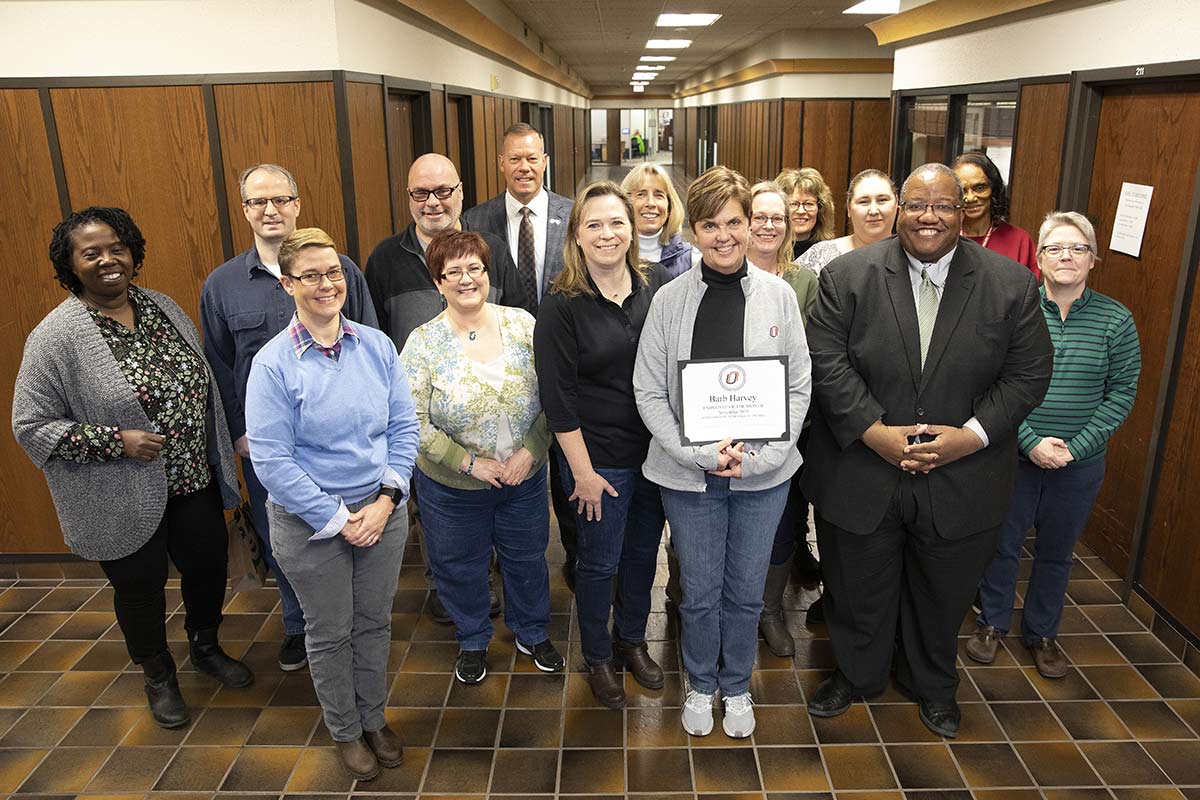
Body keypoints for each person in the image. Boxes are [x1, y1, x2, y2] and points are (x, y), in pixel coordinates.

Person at [803, 163, 1053, 739]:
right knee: (856, 586)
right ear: (899, 210)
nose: (928, 217)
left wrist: (968, 436)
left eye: (942, 206)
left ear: (963, 209)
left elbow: (1028, 374)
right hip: (862, 470)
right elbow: (826, 363)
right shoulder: (848, 276)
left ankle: (932, 682)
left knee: (942, 592)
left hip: (963, 475)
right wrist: (875, 432)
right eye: (916, 205)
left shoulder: (1010, 284)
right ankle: (856, 674)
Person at [13, 207, 251, 730]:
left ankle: (205, 648)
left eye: (116, 247)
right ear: (71, 265)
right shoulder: (56, 337)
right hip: (117, 491)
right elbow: (30, 425)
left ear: (132, 251)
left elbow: (202, 384)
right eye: (90, 253)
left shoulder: (162, 306)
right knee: (140, 586)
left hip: (193, 478)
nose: (107, 260)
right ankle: (158, 674)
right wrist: (114, 441)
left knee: (208, 569)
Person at [633, 167, 811, 739]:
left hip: (764, 476)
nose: (724, 235)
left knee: (746, 590)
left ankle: (736, 686)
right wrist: (698, 453)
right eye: (710, 225)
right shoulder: (668, 300)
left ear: (751, 225)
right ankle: (700, 682)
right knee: (701, 591)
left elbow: (799, 387)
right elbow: (648, 390)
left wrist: (760, 459)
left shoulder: (780, 295)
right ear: (695, 231)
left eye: (734, 221)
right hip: (690, 476)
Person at [245, 228, 419, 781]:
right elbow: (272, 463)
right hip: (310, 524)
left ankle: (373, 717)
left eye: (334, 273)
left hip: (382, 513)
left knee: (373, 623)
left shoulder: (377, 346)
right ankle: (345, 729)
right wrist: (341, 519)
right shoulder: (273, 365)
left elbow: (404, 428)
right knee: (330, 631)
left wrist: (388, 499)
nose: (327, 285)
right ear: (287, 283)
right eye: (312, 276)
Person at [201, 163, 378, 672]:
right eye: (258, 202)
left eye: (280, 199)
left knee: (355, 531)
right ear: (245, 211)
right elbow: (218, 364)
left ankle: (353, 625)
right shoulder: (222, 286)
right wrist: (237, 432)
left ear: (297, 204)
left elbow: (369, 344)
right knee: (285, 538)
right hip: (268, 448)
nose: (270, 210)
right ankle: (301, 627)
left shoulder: (340, 269)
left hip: (344, 441)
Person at [967, 211, 1140, 678]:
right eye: (1055, 248)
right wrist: (1029, 441)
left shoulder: (1115, 320)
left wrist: (1076, 447)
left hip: (1079, 465)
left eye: (1078, 248)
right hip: (1014, 454)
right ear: (1038, 258)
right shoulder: (1015, 312)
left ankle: (1043, 633)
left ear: (1094, 259)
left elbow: (1122, 391)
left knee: (1058, 551)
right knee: (1002, 543)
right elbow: (991, 384)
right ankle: (992, 624)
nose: (1066, 256)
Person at [366, 153, 525, 624]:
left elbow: (519, 320)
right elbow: (373, 336)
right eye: (421, 193)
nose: (433, 202)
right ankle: (449, 586)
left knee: (501, 511)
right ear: (409, 198)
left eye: (443, 191)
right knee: (437, 517)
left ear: (460, 193)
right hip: (423, 424)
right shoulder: (384, 259)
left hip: (499, 421)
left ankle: (491, 581)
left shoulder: (490, 247)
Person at [400, 230, 563, 684]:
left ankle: (531, 631)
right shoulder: (422, 343)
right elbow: (411, 421)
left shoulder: (523, 325)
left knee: (528, 558)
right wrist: (469, 463)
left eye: (475, 268)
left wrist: (532, 451)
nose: (466, 279)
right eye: (453, 272)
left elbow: (556, 394)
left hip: (523, 478)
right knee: (459, 564)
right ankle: (472, 638)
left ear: (488, 274)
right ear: (438, 283)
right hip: (452, 487)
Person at [535, 182, 670, 708]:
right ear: (577, 235)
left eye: (617, 222)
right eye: (593, 224)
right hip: (597, 461)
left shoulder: (657, 284)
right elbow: (558, 397)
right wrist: (584, 474)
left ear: (632, 229)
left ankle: (631, 642)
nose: (607, 233)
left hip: (656, 456)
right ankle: (596, 655)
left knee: (641, 557)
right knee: (597, 563)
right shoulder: (562, 301)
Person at [462, 122, 579, 588]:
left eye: (533, 158)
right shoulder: (476, 220)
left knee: (567, 463)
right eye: (515, 158)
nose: (524, 167)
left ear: (545, 161)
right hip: (500, 364)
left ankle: (575, 551)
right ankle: (499, 556)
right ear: (501, 164)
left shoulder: (572, 215)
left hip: (565, 359)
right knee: (506, 456)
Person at [746, 181, 820, 656]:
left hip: (785, 430)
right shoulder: (718, 270)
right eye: (760, 216)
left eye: (779, 217)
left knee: (781, 520)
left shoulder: (804, 283)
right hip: (725, 425)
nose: (769, 225)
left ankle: (769, 610)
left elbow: (809, 358)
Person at [953, 151, 1040, 280]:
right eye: (962, 191)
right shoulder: (944, 238)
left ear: (994, 189)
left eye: (980, 188)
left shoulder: (1019, 241)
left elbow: (1030, 293)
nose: (970, 198)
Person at [798, 169, 898, 274]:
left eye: (882, 200)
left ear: (897, 204)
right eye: (863, 202)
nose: (873, 211)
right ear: (849, 209)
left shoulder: (911, 254)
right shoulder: (821, 255)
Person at [621, 163, 696, 277]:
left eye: (658, 195)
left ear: (669, 205)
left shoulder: (692, 260)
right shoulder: (612, 257)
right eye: (641, 194)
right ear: (625, 204)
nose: (650, 203)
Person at [777, 167, 836, 261]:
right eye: (793, 204)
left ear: (820, 209)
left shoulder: (829, 253)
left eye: (808, 204)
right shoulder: (769, 250)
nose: (801, 211)